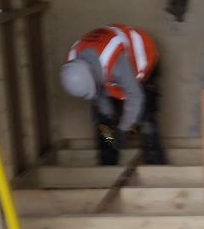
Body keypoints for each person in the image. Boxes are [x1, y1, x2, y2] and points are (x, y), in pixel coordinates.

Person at [60, 24, 165, 166]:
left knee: (145, 117)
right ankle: (108, 162)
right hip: (106, 71)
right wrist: (108, 119)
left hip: (144, 59)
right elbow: (99, 95)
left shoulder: (115, 65)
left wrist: (124, 128)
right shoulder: (74, 66)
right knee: (104, 125)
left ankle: (155, 163)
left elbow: (135, 96)